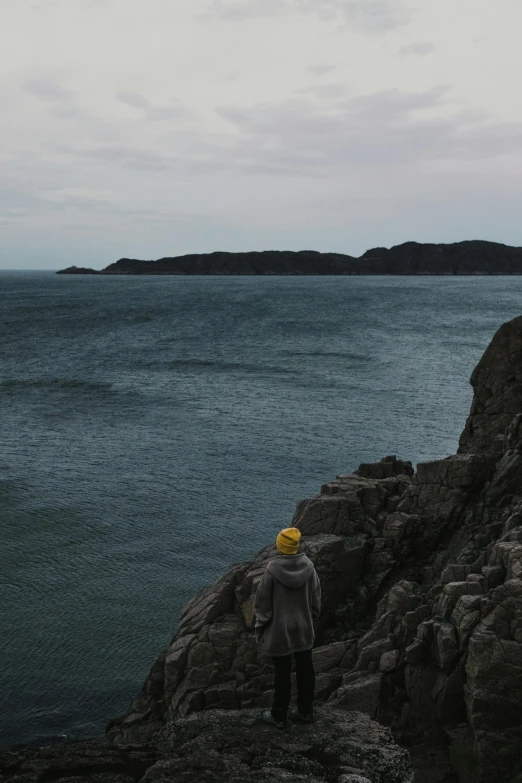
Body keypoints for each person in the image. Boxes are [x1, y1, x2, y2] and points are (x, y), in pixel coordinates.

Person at [254, 526, 321, 728]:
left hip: (279, 631)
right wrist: (311, 617)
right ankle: (305, 711)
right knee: (305, 669)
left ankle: (279, 715)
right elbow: (316, 600)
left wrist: (261, 626)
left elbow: (262, 604)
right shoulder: (309, 568)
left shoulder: (272, 570)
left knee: (281, 674)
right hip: (303, 628)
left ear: (280, 546)